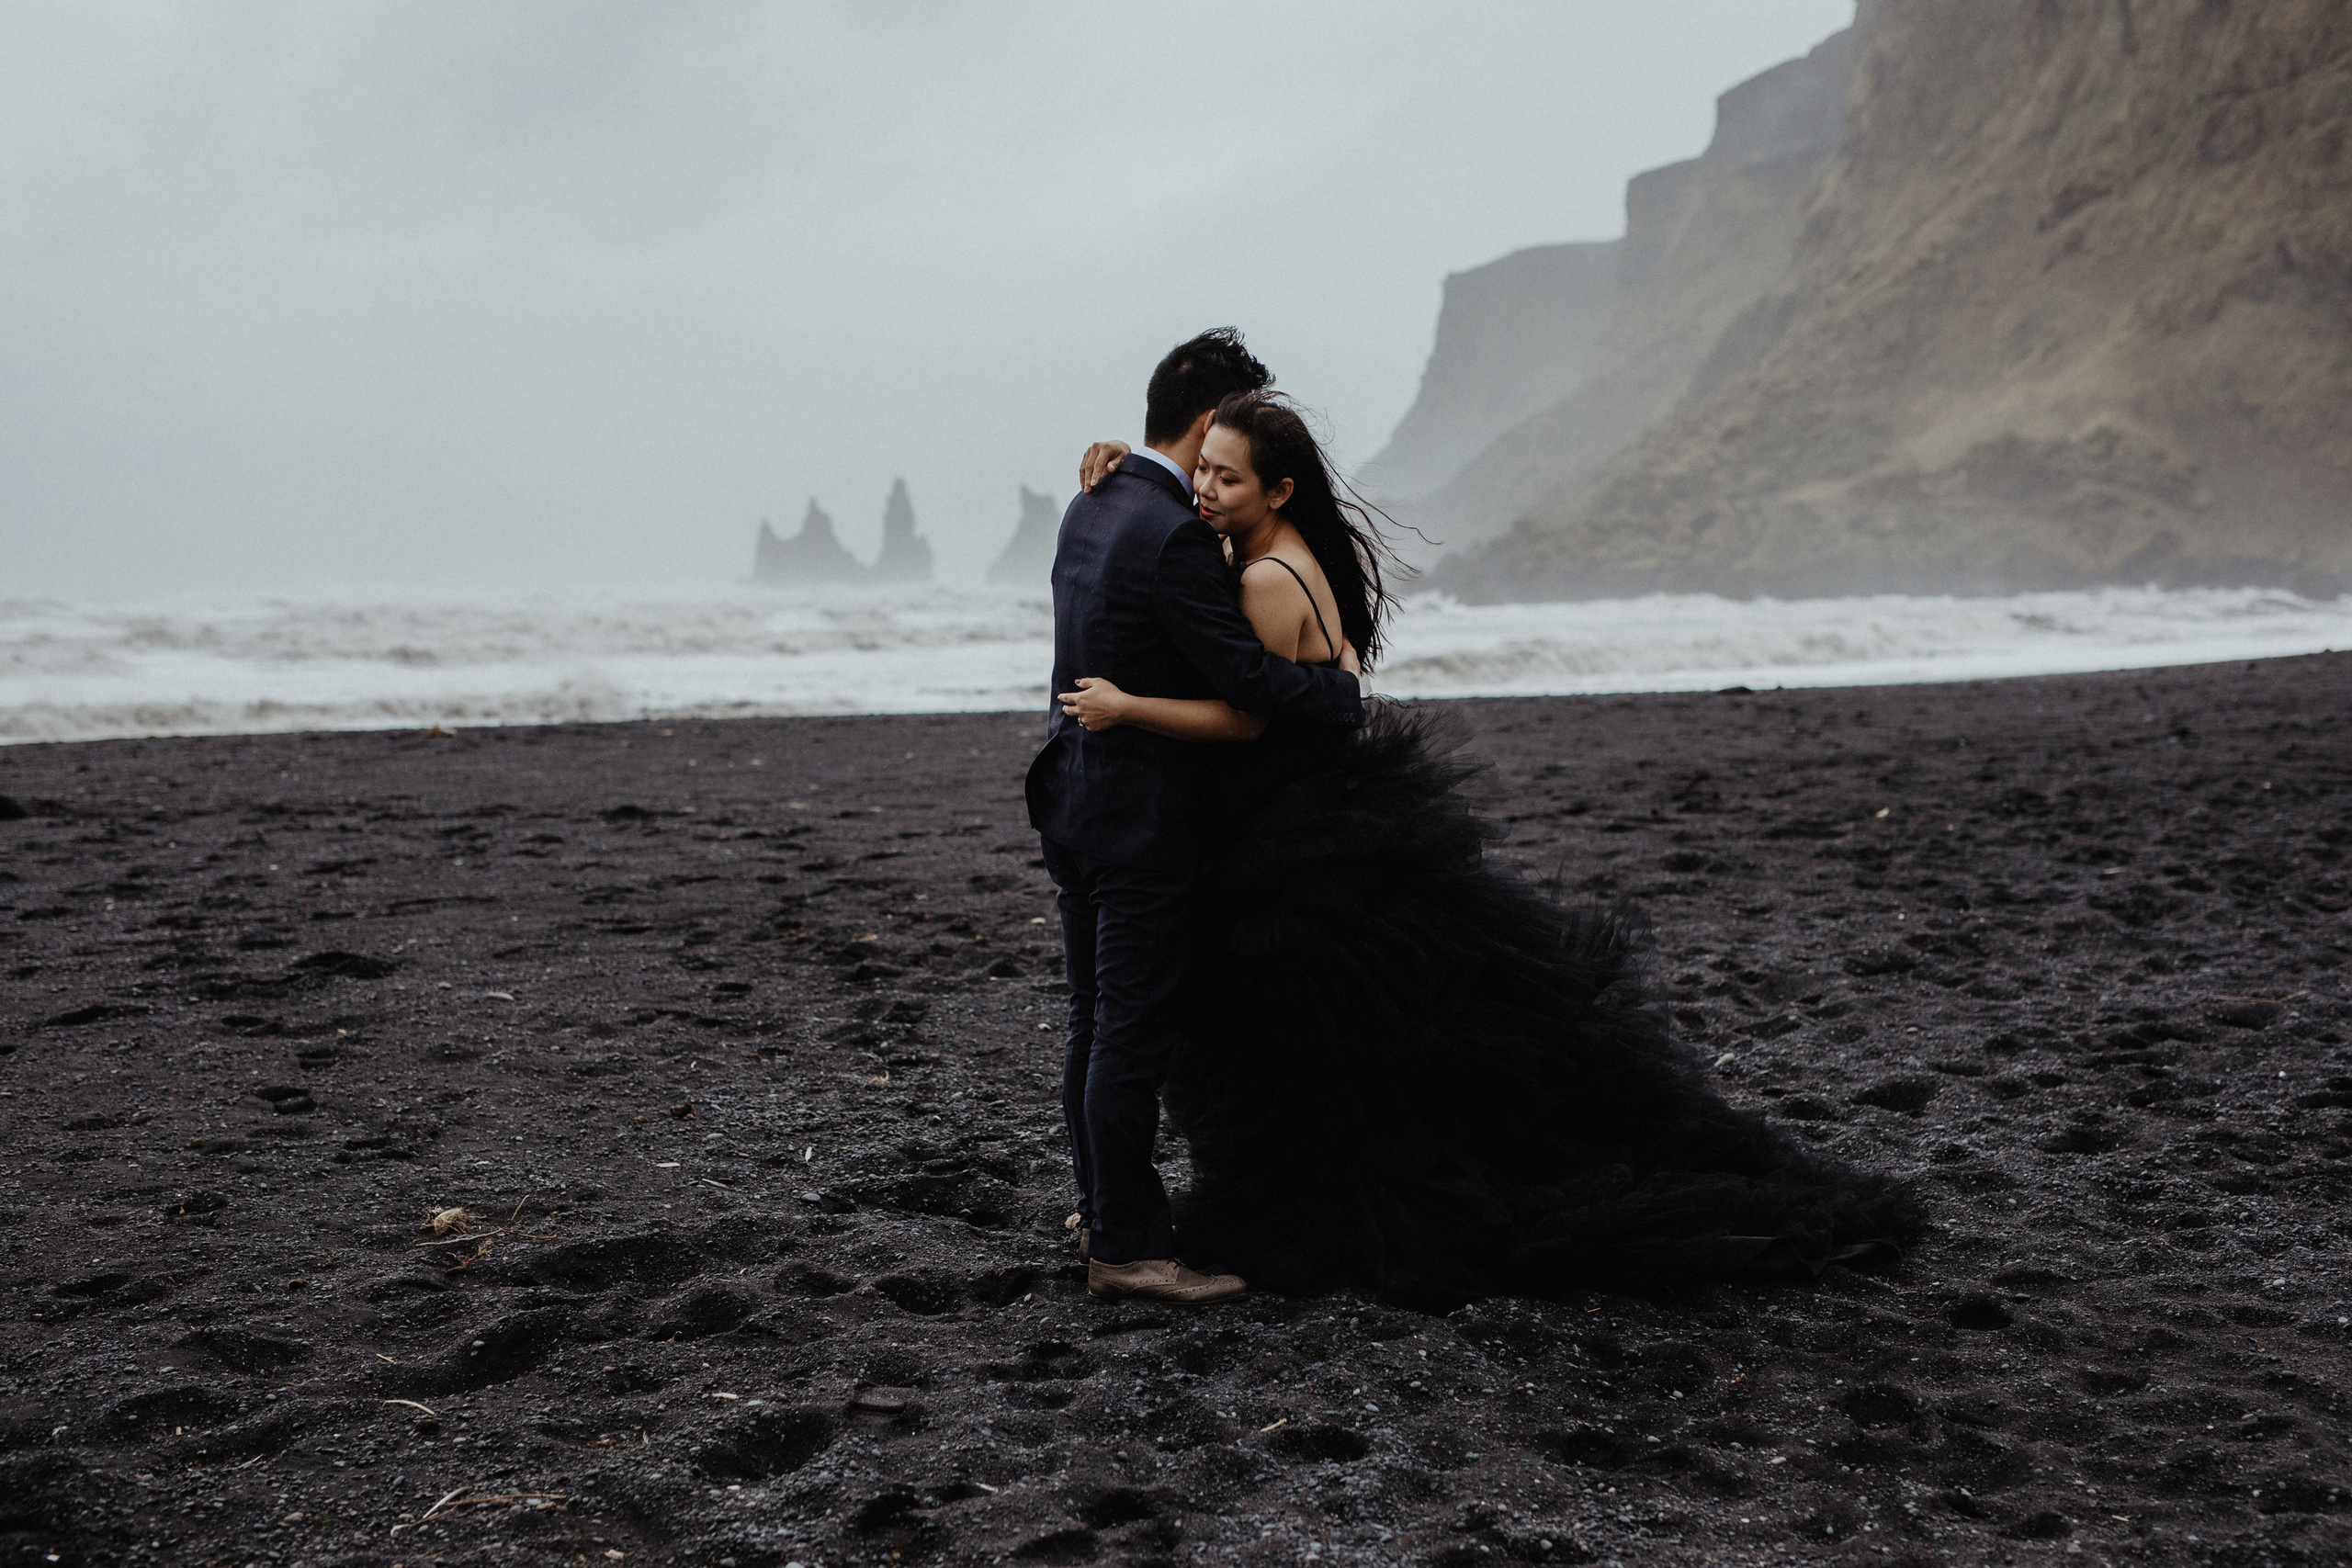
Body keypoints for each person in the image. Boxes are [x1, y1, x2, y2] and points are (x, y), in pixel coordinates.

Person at [1059, 391, 1922, 1308]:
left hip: (1290, 842)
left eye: (1227, 476)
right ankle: (1165, 1201)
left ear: (1279, 489)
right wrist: (1129, 464)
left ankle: (1260, 1204)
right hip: (1314, 824)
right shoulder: (1274, 554)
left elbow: (1247, 714)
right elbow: (1324, 673)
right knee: (1348, 1053)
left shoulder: (1268, 578)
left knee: (1318, 1055)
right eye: (1201, 468)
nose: (1206, 487)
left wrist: (1127, 707)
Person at [1027, 329, 1367, 1306]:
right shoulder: (1174, 532)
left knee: (1092, 1022)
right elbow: (1250, 681)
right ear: (1203, 422)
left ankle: (1105, 1205)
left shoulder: (1090, 501)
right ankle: (1126, 1246)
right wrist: (1342, 694)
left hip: (1071, 796)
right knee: (1128, 1033)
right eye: (1226, 432)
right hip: (1138, 818)